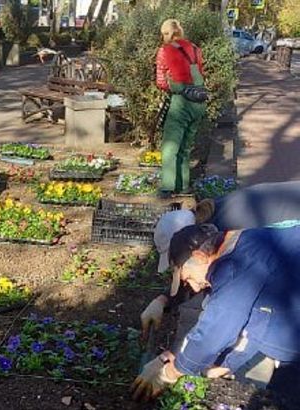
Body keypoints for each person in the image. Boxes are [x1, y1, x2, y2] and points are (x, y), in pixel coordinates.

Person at [131, 224, 300, 402]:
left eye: (188, 278)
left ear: (200, 256)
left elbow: (215, 332)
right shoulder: (246, 242)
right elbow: (258, 321)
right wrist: (228, 363)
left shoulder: (235, 267)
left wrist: (170, 372)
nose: (195, 287)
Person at [141, 180, 300, 337]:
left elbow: (232, 291)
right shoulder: (211, 217)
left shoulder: (229, 231)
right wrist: (163, 300)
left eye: (175, 256)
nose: (177, 263)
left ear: (188, 241)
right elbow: (195, 269)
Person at [156, 19, 206, 198]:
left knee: (171, 145)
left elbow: (161, 82)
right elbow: (201, 73)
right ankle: (184, 186)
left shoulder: (165, 51)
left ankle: (168, 187)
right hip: (199, 101)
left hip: (181, 102)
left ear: (166, 33)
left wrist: (173, 85)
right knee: (186, 146)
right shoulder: (195, 49)